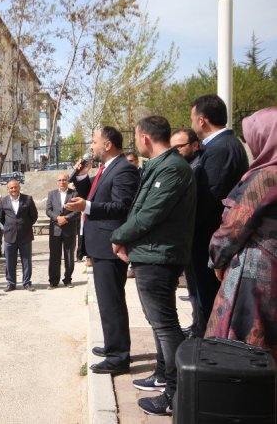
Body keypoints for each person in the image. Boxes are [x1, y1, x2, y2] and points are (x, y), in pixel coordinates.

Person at [111, 116, 196, 416]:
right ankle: (163, 375)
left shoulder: (172, 169)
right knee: (158, 322)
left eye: (135, 137)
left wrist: (119, 236)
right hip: (150, 254)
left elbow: (149, 214)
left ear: (145, 138)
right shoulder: (161, 166)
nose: (135, 142)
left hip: (159, 257)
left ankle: (174, 393)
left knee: (165, 325)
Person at [66, 126, 140, 375]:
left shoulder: (125, 169)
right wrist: (81, 178)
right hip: (100, 245)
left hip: (110, 245)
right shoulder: (106, 169)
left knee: (112, 302)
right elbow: (96, 198)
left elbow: (121, 206)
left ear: (108, 145)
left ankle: (119, 356)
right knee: (107, 301)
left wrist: (86, 205)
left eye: (94, 142)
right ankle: (112, 345)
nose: (91, 147)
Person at [206, 107, 277, 360]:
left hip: (254, 278)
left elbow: (235, 226)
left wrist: (216, 258)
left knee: (240, 354)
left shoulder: (267, 177)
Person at [189, 94, 249, 335]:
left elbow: (209, 197)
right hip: (208, 235)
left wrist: (188, 227)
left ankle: (206, 342)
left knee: (208, 295)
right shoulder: (219, 146)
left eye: (192, 119)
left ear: (202, 120)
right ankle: (200, 329)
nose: (192, 124)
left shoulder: (221, 148)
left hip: (208, 237)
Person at [170, 128, 204, 336]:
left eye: (180, 146)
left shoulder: (197, 167)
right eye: (173, 147)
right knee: (194, 290)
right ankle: (196, 325)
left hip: (198, 237)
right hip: (189, 240)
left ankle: (202, 330)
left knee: (201, 290)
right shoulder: (187, 166)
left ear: (195, 145)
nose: (177, 151)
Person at [0, 179, 38, 292]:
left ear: (19, 187)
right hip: (9, 236)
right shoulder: (3, 201)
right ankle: (11, 283)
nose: (14, 189)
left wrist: (24, 225)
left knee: (26, 261)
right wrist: (9, 227)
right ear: (8, 189)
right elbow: (1, 217)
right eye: (11, 188)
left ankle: (27, 283)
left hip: (25, 235)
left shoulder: (28, 199)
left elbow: (34, 216)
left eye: (15, 187)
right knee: (10, 261)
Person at [46, 174, 79, 288]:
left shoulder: (74, 193)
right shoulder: (52, 194)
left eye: (64, 180)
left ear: (68, 181)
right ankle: (53, 281)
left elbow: (78, 211)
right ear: (57, 182)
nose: (62, 182)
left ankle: (68, 279)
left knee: (69, 255)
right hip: (55, 230)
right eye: (59, 180)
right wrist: (57, 218)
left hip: (69, 229)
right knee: (54, 256)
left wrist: (66, 218)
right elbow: (48, 210)